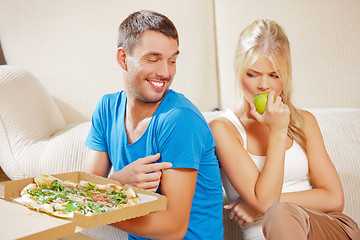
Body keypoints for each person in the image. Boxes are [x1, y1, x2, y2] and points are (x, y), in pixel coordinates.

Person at [210, 18, 360, 240]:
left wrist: (260, 206)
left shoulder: (303, 121)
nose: (264, 85)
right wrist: (278, 133)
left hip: (324, 228)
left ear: (285, 76)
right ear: (239, 71)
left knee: (277, 212)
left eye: (274, 75)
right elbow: (266, 202)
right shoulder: (224, 129)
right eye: (253, 74)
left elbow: (334, 198)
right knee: (277, 213)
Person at [82, 10, 223, 240]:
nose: (165, 72)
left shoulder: (180, 120)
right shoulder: (107, 109)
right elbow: (84, 190)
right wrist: (116, 183)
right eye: (153, 59)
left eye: (172, 60)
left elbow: (173, 228)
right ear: (122, 58)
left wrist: (98, 201)